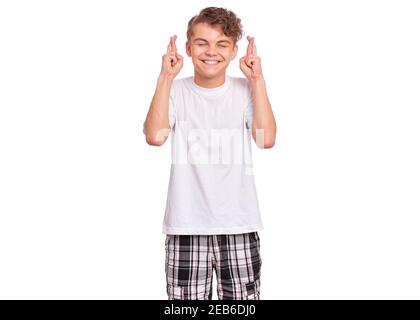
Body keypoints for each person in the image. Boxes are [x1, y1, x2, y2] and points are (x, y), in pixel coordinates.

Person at [143, 7, 276, 300]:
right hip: (186, 226)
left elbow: (265, 139)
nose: (211, 52)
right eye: (202, 43)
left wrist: (258, 81)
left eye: (221, 44)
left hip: (239, 225)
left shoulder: (246, 90)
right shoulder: (175, 91)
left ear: (233, 51)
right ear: (188, 48)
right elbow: (155, 136)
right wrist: (165, 77)